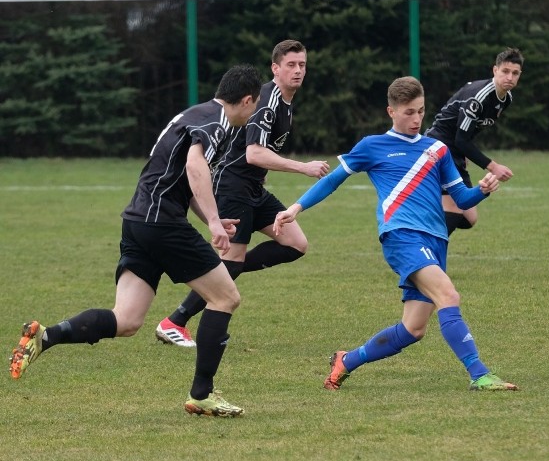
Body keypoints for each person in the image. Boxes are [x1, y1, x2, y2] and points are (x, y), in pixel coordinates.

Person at [9, 64, 264, 417]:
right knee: (225, 297)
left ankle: (46, 336)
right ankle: (202, 394)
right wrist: (216, 227)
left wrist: (213, 218)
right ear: (248, 100)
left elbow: (182, 180)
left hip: (138, 222)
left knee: (127, 319)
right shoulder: (217, 121)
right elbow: (194, 168)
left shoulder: (193, 113)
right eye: (255, 107)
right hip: (162, 224)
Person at [273, 76, 518, 391]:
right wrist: (295, 208)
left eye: (420, 111)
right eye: (408, 113)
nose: (416, 119)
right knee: (449, 295)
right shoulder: (372, 146)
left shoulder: (438, 150)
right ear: (391, 111)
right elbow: (332, 181)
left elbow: (461, 200)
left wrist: (482, 190)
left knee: (414, 329)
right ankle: (479, 374)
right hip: (402, 235)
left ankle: (345, 361)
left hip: (435, 240)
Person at [155, 40, 329, 348]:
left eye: (302, 64)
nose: (298, 70)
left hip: (254, 189)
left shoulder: (285, 101)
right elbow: (254, 154)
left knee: (296, 244)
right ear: (275, 68)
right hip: (232, 185)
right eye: (291, 65)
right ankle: (174, 322)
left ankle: (220, 271)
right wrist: (304, 167)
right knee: (232, 263)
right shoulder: (268, 101)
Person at [424, 47, 523, 235]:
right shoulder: (478, 97)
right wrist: (493, 166)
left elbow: (469, 132)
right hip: (439, 147)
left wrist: (464, 152)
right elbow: (461, 140)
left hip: (454, 149)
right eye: (505, 71)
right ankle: (426, 252)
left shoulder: (505, 98)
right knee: (454, 207)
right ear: (495, 70)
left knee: (469, 217)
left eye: (515, 73)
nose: (510, 77)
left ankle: (426, 212)